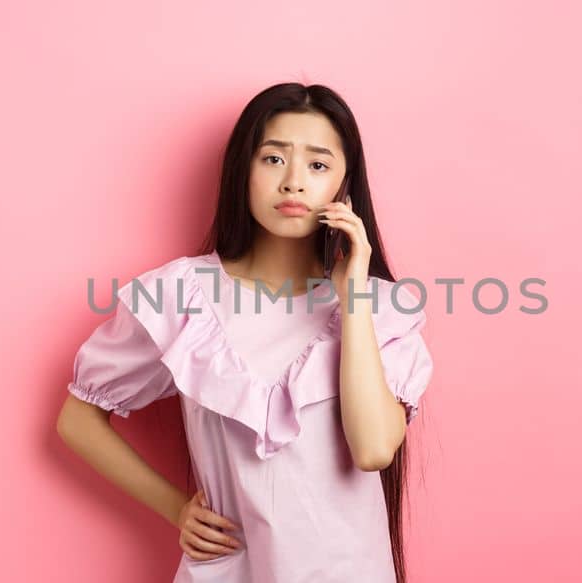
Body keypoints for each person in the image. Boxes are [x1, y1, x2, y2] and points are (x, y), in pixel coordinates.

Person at [56, 82, 434, 583]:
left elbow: (373, 450)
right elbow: (77, 419)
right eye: (274, 159)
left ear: (344, 186)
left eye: (318, 165)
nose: (294, 182)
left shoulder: (382, 308)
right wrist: (177, 509)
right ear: (242, 170)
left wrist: (355, 299)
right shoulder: (180, 295)